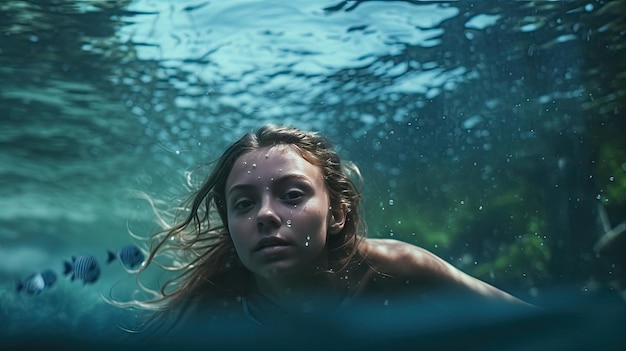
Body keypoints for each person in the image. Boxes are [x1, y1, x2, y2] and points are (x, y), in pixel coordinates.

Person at [118, 124, 532, 340]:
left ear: (337, 213)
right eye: (243, 204)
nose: (264, 214)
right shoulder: (213, 305)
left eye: (292, 195)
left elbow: (531, 324)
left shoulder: (399, 268)